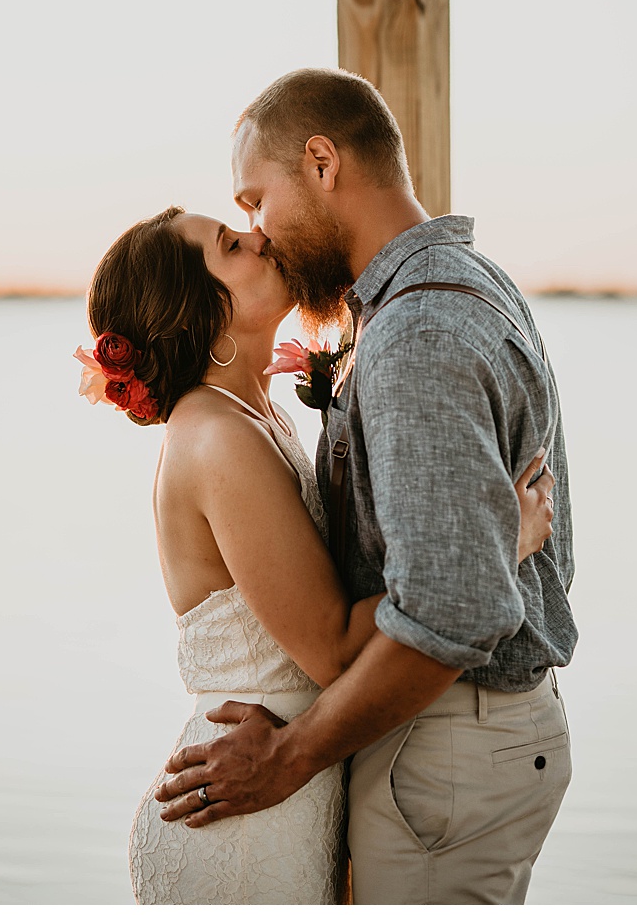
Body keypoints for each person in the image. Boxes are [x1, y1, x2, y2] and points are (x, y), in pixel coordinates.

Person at [151, 67, 578, 904]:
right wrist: (502, 542)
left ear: (320, 162)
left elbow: (451, 611)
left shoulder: (415, 329)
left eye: (252, 202)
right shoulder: (462, 283)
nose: (259, 229)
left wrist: (292, 756)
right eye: (237, 227)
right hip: (443, 740)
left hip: (450, 745)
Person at [78, 205, 554, 903]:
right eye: (232, 245)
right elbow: (329, 646)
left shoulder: (253, 412)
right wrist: (496, 540)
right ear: (196, 309)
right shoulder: (216, 437)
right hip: (243, 817)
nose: (261, 237)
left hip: (279, 782)